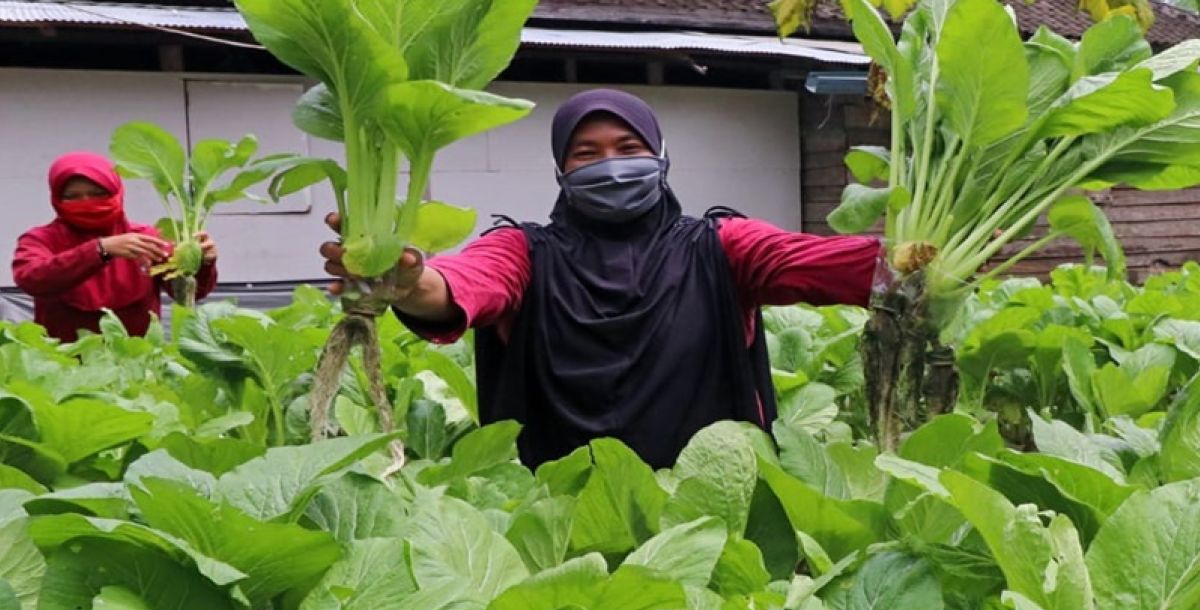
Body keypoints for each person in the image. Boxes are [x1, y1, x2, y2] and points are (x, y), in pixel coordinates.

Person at [322, 89, 888, 469]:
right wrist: (409, 285)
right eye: (586, 154)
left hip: (712, 504)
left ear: (660, 157)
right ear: (561, 170)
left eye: (629, 148)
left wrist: (931, 258)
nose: (610, 165)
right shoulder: (525, 250)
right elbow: (463, 285)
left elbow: (826, 265)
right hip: (558, 512)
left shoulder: (720, 247)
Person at [11, 152, 218, 342]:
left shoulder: (145, 238)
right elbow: (31, 278)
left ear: (116, 191)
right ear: (56, 198)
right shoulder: (42, 239)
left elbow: (188, 291)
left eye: (97, 193)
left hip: (137, 364)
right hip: (64, 367)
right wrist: (100, 250)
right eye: (72, 197)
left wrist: (202, 263)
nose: (86, 202)